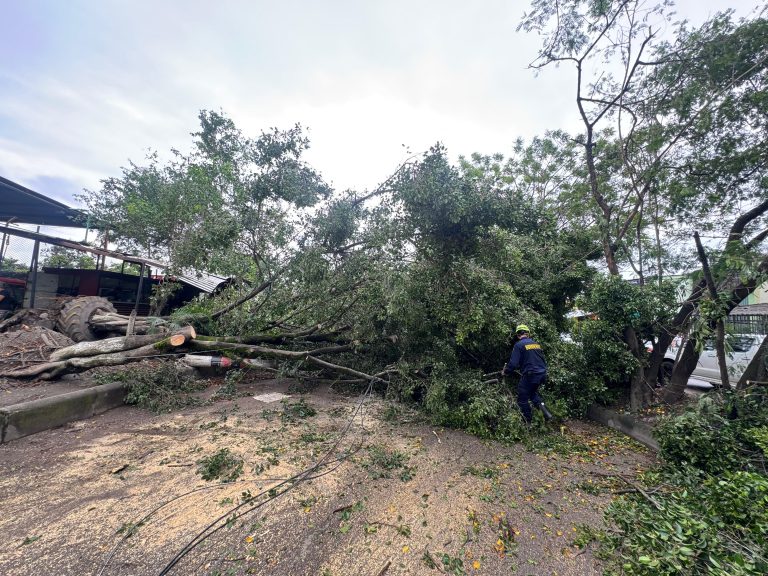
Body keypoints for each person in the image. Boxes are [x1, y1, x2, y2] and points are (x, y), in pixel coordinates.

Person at [502, 324, 553, 424]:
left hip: (531, 374)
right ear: (528, 334)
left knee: (522, 398)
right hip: (542, 374)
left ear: (518, 335)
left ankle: (527, 423)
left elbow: (513, 364)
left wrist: (506, 371)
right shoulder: (536, 344)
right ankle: (547, 414)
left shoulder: (519, 345)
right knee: (532, 393)